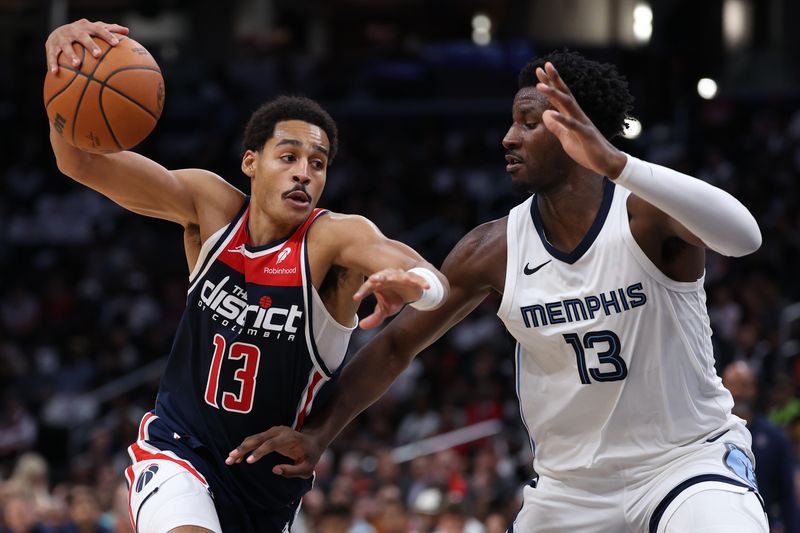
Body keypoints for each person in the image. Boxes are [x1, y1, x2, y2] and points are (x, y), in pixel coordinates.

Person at [228, 50, 769, 532]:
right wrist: (319, 434)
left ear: (578, 132)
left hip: (684, 464)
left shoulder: (645, 216)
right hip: (570, 491)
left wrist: (617, 163)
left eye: (529, 123)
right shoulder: (495, 248)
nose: (508, 138)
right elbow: (397, 345)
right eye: (512, 122)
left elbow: (744, 238)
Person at [45, 19, 449, 533]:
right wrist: (60, 74)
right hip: (176, 449)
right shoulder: (209, 207)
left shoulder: (331, 240)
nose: (305, 171)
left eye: (319, 163)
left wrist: (419, 285)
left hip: (267, 484)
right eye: (290, 157)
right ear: (251, 162)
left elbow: (423, 272)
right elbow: (81, 163)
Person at [722, 361, 797, 532]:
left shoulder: (775, 437)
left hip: (763, 524)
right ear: (722, 389)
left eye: (745, 386)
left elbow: (787, 495)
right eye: (733, 385)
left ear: (754, 390)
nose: (739, 392)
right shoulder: (709, 436)